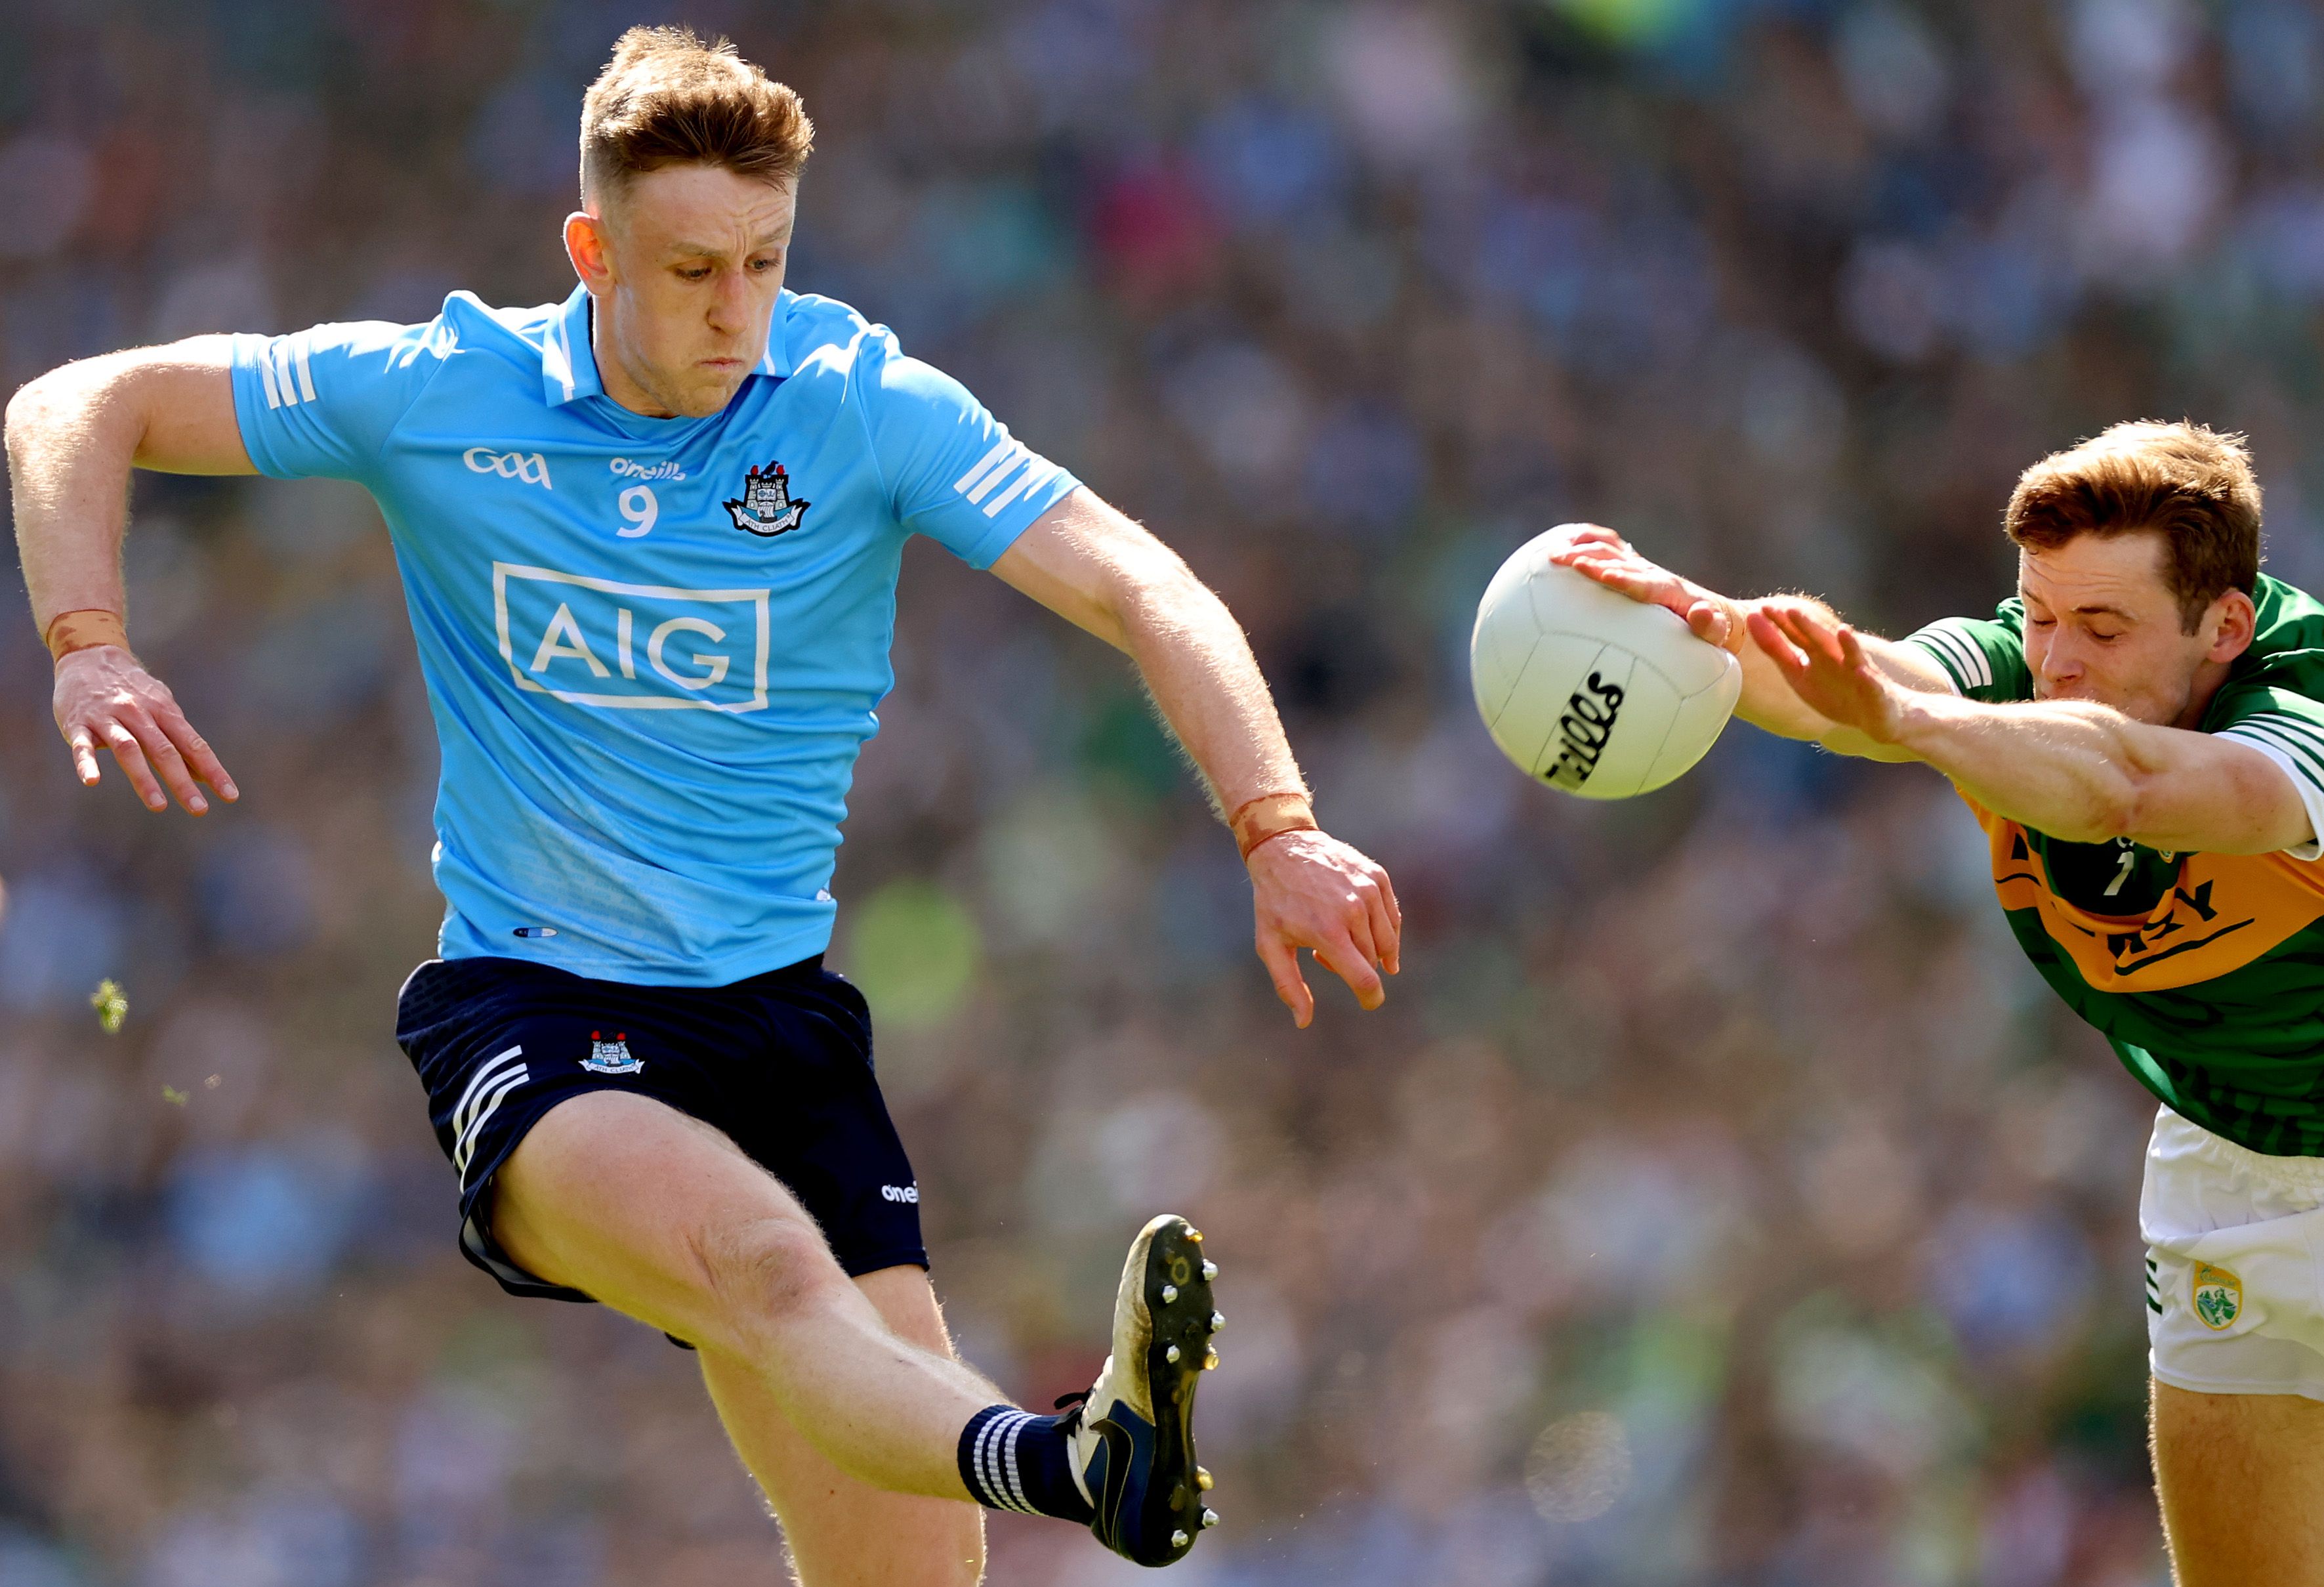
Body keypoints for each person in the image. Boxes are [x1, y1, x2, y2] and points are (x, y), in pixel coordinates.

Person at [6, 27, 1401, 1583]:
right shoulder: (438, 390)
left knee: (913, 1578)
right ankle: (1075, 1458)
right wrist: (91, 643)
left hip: (776, 1022)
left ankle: (1053, 1466)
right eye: (688, 272)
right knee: (761, 1267)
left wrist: (1277, 826)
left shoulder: (862, 405)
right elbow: (82, 398)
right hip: (533, 1010)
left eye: (764, 260)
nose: (738, 309)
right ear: (590, 250)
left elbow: (1141, 582)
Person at [1558, 421, 2324, 1586]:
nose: (2056, 660)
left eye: (2103, 627)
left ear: (2223, 627)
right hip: (2225, 1166)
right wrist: (1706, 635)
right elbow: (1853, 685)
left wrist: (1918, 726)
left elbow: (2126, 784)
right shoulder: (2009, 684)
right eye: (2038, 616)